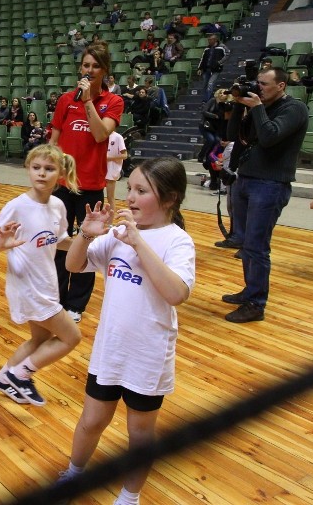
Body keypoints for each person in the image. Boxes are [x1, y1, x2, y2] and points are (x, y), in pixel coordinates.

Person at [57, 157, 195, 505]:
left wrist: (138, 243)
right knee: (91, 421)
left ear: (169, 199)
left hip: (148, 355)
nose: (130, 197)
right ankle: (74, 475)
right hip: (111, 349)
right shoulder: (117, 236)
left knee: (139, 433)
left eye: (141, 191)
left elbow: (177, 293)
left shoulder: (177, 242)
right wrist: (87, 234)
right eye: (129, 188)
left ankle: (129, 497)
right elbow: (75, 265)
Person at [0, 144, 82, 406]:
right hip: (28, 287)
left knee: (41, 339)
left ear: (60, 172)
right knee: (71, 336)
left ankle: (3, 378)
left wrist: (89, 241)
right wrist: (2, 243)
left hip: (47, 283)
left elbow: (59, 240)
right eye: (36, 168)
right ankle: (21, 375)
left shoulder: (58, 206)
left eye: (49, 169)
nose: (41, 173)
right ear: (28, 169)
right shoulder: (17, 206)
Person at [221, 67, 309, 323]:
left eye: (264, 84)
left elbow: (270, 137)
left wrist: (257, 107)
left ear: (281, 86)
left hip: (270, 184)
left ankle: (256, 304)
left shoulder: (294, 109)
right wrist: (239, 106)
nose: (259, 88)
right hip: (246, 180)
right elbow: (232, 136)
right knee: (246, 244)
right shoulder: (260, 107)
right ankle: (250, 290)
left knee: (257, 247)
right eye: (257, 83)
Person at [49, 42, 124, 323]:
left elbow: (101, 135)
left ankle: (76, 305)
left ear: (104, 71)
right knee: (58, 241)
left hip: (91, 184)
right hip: (62, 184)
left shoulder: (113, 102)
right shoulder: (66, 100)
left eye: (95, 66)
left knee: (88, 245)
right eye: (85, 65)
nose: (89, 70)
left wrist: (89, 100)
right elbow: (54, 140)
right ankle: (55, 299)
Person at [197, 34, 229, 103]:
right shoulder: (207, 49)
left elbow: (227, 54)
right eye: (208, 39)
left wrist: (219, 62)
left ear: (215, 40)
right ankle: (206, 99)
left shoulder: (222, 47)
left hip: (216, 69)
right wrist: (200, 68)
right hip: (206, 69)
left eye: (210, 39)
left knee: (210, 83)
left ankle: (207, 100)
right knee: (205, 84)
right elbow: (202, 59)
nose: (209, 41)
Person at [105, 131, 127, 211]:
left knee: (110, 197)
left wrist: (108, 158)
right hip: (99, 168)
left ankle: (110, 221)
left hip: (112, 169)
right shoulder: (100, 134)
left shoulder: (118, 137)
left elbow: (125, 155)